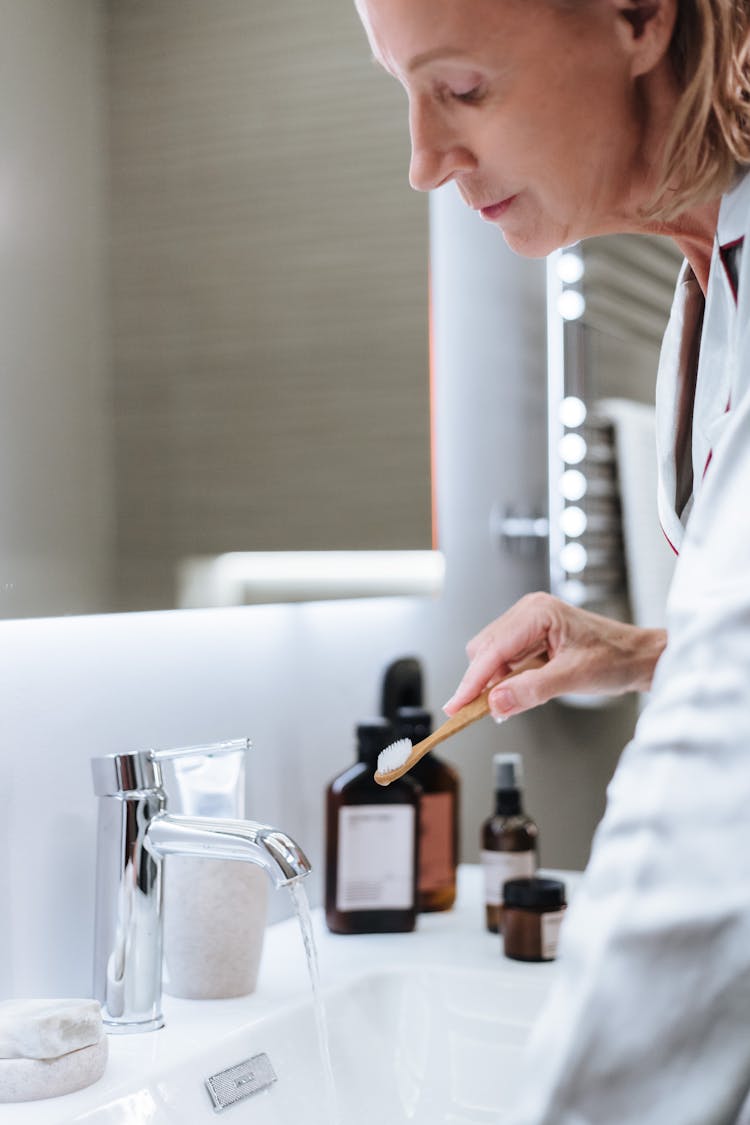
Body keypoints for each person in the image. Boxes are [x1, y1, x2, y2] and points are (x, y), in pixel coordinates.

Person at [354, 0, 750, 1121]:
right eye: (406, 96)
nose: (427, 162)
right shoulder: (708, 279)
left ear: (635, 17)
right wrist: (650, 655)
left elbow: (712, 859)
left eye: (464, 88)